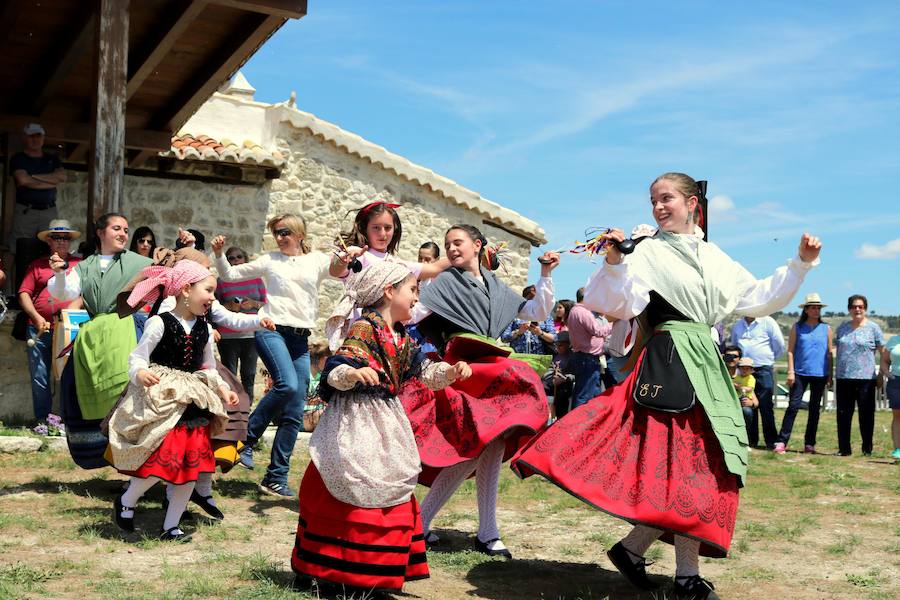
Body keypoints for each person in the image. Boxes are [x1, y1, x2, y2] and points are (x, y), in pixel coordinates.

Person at [512, 172, 820, 599]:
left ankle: (635, 550)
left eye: (667, 198)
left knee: (699, 467)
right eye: (654, 200)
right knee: (686, 468)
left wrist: (800, 264)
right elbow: (613, 303)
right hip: (670, 362)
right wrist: (616, 261)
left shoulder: (714, 256)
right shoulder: (646, 252)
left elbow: (758, 296)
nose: (658, 207)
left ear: (693, 203)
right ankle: (685, 579)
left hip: (705, 364)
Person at [292, 262, 471, 594]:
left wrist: (451, 371)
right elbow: (336, 368)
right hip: (355, 418)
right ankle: (332, 568)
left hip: (387, 419)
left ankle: (374, 569)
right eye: (412, 290)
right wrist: (351, 374)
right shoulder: (365, 327)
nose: (417, 298)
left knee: (388, 477)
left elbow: (426, 371)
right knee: (349, 476)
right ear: (390, 291)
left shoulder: (401, 336)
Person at [401, 224, 559, 559]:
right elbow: (413, 312)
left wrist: (545, 274)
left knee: (495, 443)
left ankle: (485, 532)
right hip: (463, 369)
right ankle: (424, 523)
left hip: (494, 369)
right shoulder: (443, 283)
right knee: (473, 446)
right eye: (447, 245)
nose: (452, 248)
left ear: (477, 245)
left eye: (457, 242)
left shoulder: (496, 286)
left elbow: (535, 312)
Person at [213, 214, 350, 497]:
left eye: (285, 231)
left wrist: (345, 257)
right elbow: (229, 274)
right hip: (271, 330)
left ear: (300, 233)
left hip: (299, 339)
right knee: (286, 384)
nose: (279, 237)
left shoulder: (316, 260)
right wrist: (217, 254)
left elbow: (338, 270)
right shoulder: (269, 259)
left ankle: (276, 476)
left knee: (294, 410)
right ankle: (246, 440)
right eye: (276, 232)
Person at [107, 260, 238, 541]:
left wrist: (223, 389)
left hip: (193, 401)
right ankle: (127, 500)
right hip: (164, 399)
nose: (213, 297)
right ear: (186, 289)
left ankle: (171, 526)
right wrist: (140, 372)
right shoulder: (159, 322)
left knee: (190, 469)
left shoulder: (204, 329)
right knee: (158, 462)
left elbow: (208, 367)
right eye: (209, 290)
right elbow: (138, 355)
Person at [47, 213, 154, 468]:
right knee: (75, 389)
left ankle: (141, 461)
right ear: (100, 232)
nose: (123, 234)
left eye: (126, 230)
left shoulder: (140, 262)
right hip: (94, 336)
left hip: (128, 328)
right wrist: (61, 272)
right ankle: (99, 453)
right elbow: (63, 291)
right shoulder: (85, 266)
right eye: (116, 228)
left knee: (135, 394)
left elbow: (167, 281)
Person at [17, 220, 83, 423]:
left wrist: (74, 310)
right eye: (57, 237)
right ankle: (43, 420)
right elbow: (24, 293)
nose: (62, 241)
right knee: (40, 376)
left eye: (66, 238)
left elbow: (87, 293)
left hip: (69, 327)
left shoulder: (79, 264)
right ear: (49, 241)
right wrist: (36, 318)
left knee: (70, 375)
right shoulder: (37, 266)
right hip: (40, 328)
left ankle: (69, 420)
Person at [10, 123, 67, 291]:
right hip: (26, 211)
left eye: (38, 136)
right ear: (24, 138)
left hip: (49, 211)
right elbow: (23, 180)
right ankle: (13, 292)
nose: (35, 139)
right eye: (31, 136)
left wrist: (34, 177)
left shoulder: (52, 158)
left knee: (51, 248)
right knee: (16, 250)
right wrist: (50, 179)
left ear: (43, 138)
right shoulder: (19, 158)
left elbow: (62, 177)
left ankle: (46, 289)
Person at [774, 293, 833, 454]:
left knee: (814, 409)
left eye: (818, 307)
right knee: (793, 406)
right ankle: (781, 441)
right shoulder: (797, 327)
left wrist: (830, 375)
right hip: (799, 372)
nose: (816, 310)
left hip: (820, 374)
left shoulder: (826, 328)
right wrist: (790, 371)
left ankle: (809, 444)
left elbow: (829, 353)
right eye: (812, 307)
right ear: (806, 310)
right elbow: (791, 351)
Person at [337, 201, 449, 280]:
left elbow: (434, 268)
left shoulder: (397, 264)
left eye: (387, 228)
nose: (382, 234)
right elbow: (335, 271)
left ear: (395, 229)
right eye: (376, 227)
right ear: (365, 229)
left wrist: (463, 254)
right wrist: (342, 260)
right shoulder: (357, 255)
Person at [834, 294, 885, 457]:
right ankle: (844, 449)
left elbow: (883, 352)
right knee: (843, 415)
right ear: (849, 309)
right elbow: (835, 351)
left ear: (865, 309)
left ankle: (867, 449)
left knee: (866, 416)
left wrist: (881, 375)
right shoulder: (842, 328)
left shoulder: (873, 328)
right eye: (854, 306)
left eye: (860, 307)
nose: (857, 309)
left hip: (866, 379)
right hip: (844, 378)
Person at [215, 246, 267, 398]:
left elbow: (267, 305)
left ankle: (247, 410)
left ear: (245, 259)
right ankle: (233, 411)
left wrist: (253, 303)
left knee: (249, 374)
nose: (236, 260)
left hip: (251, 334)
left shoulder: (256, 280)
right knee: (229, 375)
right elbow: (213, 307)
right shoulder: (221, 281)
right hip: (227, 336)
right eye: (231, 258)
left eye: (239, 257)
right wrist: (229, 306)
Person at [730, 314, 785, 449]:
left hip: (763, 368)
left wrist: (768, 359)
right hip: (744, 370)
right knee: (747, 404)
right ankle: (751, 440)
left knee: (766, 406)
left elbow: (779, 345)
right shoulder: (737, 325)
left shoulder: (768, 322)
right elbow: (735, 346)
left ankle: (771, 441)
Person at [567, 287, 613, 409]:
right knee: (583, 395)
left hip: (584, 357)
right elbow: (597, 331)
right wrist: (613, 324)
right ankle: (577, 424)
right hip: (587, 358)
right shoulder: (583, 312)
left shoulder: (575, 311)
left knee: (591, 394)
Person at [500, 285, 556, 355]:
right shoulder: (515, 314)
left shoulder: (546, 316)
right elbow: (504, 338)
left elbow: (553, 338)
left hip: (539, 359)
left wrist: (540, 333)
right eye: (530, 299)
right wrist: (518, 332)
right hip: (518, 358)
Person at [543, 331, 575, 419]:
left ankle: (561, 418)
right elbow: (547, 371)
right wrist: (551, 378)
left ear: (568, 345)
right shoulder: (554, 356)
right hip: (551, 385)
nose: (557, 348)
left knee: (562, 394)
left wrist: (563, 379)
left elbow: (575, 375)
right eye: (556, 345)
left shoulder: (572, 357)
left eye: (560, 345)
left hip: (564, 386)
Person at [880, 333, 900, 459]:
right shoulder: (894, 340)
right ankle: (898, 449)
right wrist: (887, 374)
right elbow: (884, 360)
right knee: (898, 416)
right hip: (896, 382)